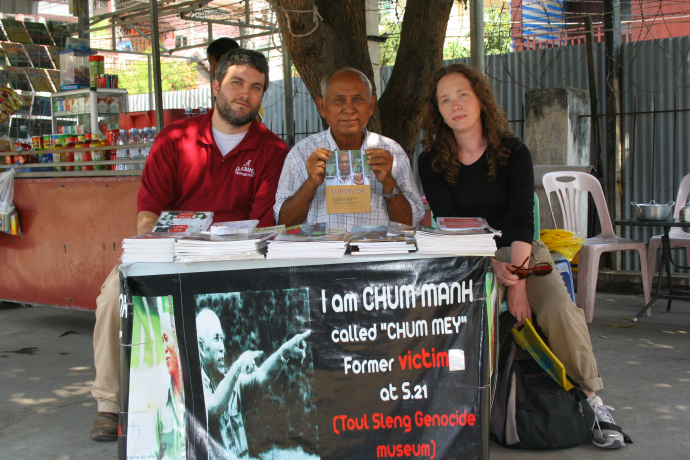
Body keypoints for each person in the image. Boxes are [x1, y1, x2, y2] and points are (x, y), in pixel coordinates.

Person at [417, 63, 630, 449]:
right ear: (438, 110)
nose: (455, 105)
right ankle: (462, 411)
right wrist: (491, 266)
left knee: (558, 308)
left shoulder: (513, 152)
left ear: (480, 99)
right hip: (468, 257)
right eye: (445, 100)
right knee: (463, 314)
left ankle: (592, 400)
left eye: (462, 95)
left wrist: (517, 282)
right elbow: (449, 226)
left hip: (523, 250)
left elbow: (521, 222)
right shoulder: (431, 161)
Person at [89, 48, 289, 442]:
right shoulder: (175, 139)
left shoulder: (273, 150)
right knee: (113, 296)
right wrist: (157, 251)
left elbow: (262, 225)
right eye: (236, 82)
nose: (245, 94)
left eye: (256, 87)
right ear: (215, 86)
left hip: (234, 259)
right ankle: (109, 404)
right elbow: (148, 213)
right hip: (170, 253)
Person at [274, 67, 424, 229]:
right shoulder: (301, 154)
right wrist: (311, 183)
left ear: (371, 105)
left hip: (377, 246)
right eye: (339, 99)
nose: (349, 109)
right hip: (323, 246)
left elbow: (410, 224)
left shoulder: (392, 152)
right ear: (322, 107)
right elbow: (284, 224)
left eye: (358, 99)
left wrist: (388, 181)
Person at [196, 309, 311, 459]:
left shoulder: (233, 384)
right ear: (201, 348)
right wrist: (237, 368)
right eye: (216, 339)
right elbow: (213, 408)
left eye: (222, 339)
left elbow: (263, 376)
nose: (222, 347)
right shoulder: (193, 390)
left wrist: (284, 352)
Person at [153, 315, 185, 460]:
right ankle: (107, 406)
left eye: (167, 341)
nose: (165, 350)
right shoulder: (160, 397)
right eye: (163, 342)